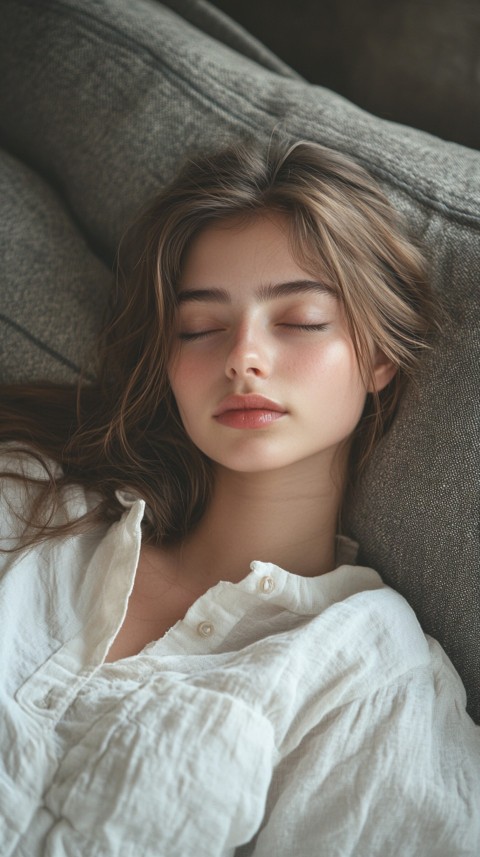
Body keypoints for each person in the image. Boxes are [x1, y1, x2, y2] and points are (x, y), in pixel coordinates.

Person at [0, 139, 478, 856]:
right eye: (201, 327)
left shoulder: (369, 672)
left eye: (299, 321)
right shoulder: (29, 501)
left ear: (378, 356)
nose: (241, 356)